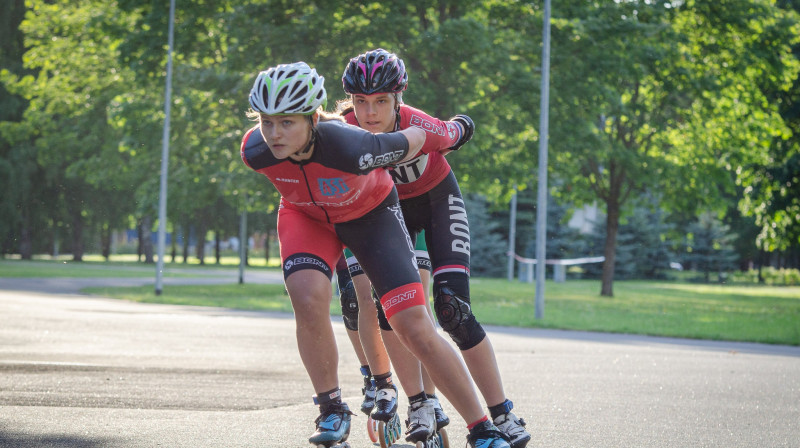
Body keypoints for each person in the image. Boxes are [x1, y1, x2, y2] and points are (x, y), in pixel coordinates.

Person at [240, 61, 510, 448]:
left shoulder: (353, 145)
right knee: (307, 296)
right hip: (306, 216)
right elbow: (271, 149)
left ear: (313, 117)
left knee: (412, 325)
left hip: (369, 216)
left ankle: (481, 428)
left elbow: (415, 137)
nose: (274, 134)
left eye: (287, 123)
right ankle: (331, 408)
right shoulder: (255, 151)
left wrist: (449, 131)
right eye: (267, 122)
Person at [337, 49, 532, 448]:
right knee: (391, 308)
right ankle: (420, 402)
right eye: (360, 102)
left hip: (436, 204)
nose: (370, 113)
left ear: (399, 99)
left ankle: (502, 413)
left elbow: (461, 129)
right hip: (386, 215)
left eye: (381, 102)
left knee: (452, 311)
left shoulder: (419, 125)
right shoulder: (345, 131)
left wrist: (459, 126)